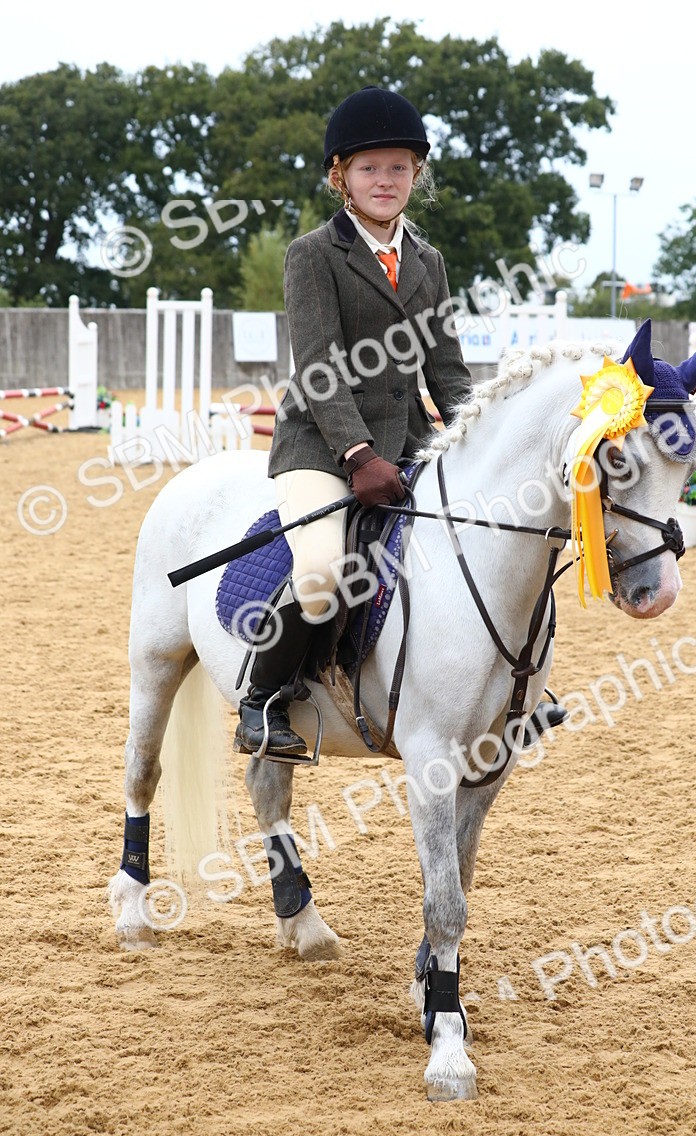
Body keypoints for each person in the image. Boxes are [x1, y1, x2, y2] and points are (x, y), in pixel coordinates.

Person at [234, 84, 567, 757]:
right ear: (340, 177)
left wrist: (475, 437)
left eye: (398, 167)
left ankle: (513, 691)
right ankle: (263, 698)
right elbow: (319, 367)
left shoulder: (428, 261)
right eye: (368, 168)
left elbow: (446, 370)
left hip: (409, 444)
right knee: (325, 566)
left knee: (493, 540)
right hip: (322, 448)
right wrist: (358, 454)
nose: (384, 180)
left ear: (416, 173)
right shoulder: (313, 254)